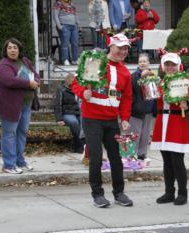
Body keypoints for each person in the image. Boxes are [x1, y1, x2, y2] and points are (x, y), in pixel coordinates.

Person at [71, 33, 133, 208]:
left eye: (126, 48)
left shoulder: (125, 72)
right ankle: (97, 194)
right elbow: (76, 83)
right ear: (111, 46)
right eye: (120, 47)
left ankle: (119, 193)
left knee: (116, 158)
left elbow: (127, 98)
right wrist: (83, 92)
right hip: (92, 119)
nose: (124, 51)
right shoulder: (95, 61)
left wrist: (125, 118)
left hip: (112, 120)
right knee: (96, 158)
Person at [150, 52, 189, 205]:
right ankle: (169, 192)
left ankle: (182, 193)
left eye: (173, 64)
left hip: (176, 121)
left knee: (177, 160)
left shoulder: (184, 81)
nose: (170, 67)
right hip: (162, 122)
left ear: (178, 65)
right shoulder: (158, 82)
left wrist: (187, 104)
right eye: (167, 64)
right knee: (166, 160)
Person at [0, 38, 40, 174]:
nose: (12, 50)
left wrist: (36, 81)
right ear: (5, 50)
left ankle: (20, 161)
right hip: (9, 105)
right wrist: (28, 84)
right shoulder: (3, 64)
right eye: (10, 48)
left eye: (15, 48)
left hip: (25, 104)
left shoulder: (25, 61)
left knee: (21, 133)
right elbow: (9, 81)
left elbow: (35, 75)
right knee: (9, 134)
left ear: (19, 50)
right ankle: (8, 165)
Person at [130, 53, 156, 160]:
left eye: (144, 61)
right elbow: (131, 92)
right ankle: (132, 154)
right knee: (135, 134)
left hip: (149, 110)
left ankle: (142, 154)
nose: (142, 63)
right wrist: (142, 77)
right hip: (137, 110)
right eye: (140, 61)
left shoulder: (153, 75)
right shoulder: (134, 76)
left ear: (148, 63)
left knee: (145, 135)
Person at [54, 74, 84, 154]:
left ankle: (80, 145)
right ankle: (80, 145)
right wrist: (59, 118)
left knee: (83, 122)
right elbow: (57, 104)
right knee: (74, 122)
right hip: (67, 113)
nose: (75, 82)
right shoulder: (61, 89)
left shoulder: (79, 88)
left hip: (79, 112)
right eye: (73, 81)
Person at [53, 0, 79, 65]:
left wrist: (77, 23)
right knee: (65, 43)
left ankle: (74, 59)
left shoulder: (71, 4)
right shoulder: (58, 3)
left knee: (75, 43)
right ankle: (65, 59)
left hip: (74, 26)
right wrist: (59, 26)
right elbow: (55, 15)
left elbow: (75, 14)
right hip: (65, 25)